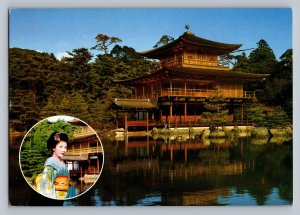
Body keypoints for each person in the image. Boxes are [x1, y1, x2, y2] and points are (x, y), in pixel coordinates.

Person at [36, 131, 75, 200]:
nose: (64, 150)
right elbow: (46, 184)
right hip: (55, 196)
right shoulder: (50, 162)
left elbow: (68, 181)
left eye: (65, 147)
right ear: (53, 148)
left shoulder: (63, 163)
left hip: (65, 196)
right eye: (61, 147)